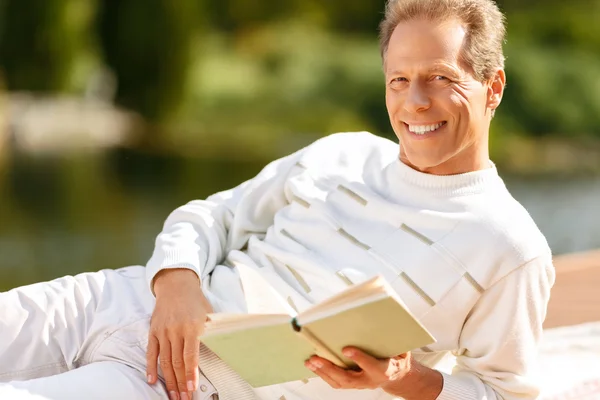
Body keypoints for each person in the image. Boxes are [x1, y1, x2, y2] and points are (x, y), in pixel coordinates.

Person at [0, 0, 555, 399]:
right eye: (398, 80)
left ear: (494, 87)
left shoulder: (509, 246)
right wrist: (176, 282)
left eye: (440, 78)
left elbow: (502, 394)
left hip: (196, 384)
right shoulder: (343, 153)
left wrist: (401, 379)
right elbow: (209, 216)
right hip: (123, 300)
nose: (414, 102)